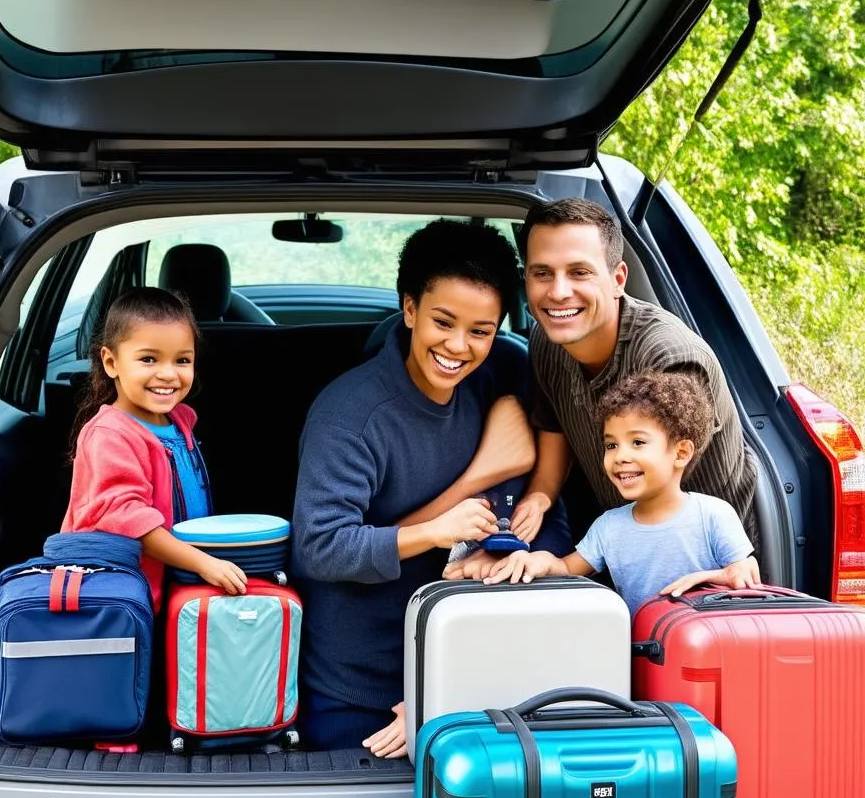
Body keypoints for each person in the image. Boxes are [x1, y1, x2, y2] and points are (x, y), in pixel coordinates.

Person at [292, 219, 550, 759]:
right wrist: (435, 532)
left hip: (475, 672)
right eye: (442, 322)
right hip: (358, 690)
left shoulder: (505, 370)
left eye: (481, 330)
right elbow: (322, 546)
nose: (458, 347)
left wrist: (515, 549)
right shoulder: (352, 416)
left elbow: (553, 448)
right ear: (409, 309)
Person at [451, 197, 760, 572]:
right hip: (624, 548)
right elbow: (554, 428)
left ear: (617, 280)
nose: (558, 292)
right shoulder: (548, 341)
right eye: (542, 273)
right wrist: (540, 497)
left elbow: (670, 499)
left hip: (708, 567)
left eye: (579, 272)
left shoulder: (669, 359)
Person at [460, 369, 759, 615]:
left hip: (703, 658)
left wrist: (719, 577)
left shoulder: (713, 515)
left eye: (638, 443)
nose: (620, 456)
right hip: (636, 659)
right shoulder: (609, 527)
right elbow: (566, 567)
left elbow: (746, 572)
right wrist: (537, 560)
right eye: (611, 445)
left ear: (680, 453)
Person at [61, 286, 246, 613]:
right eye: (148, 359)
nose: (168, 373)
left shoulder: (179, 423)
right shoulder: (110, 435)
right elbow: (128, 520)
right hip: (123, 603)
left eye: (182, 360)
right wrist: (203, 563)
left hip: (173, 590)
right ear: (111, 362)